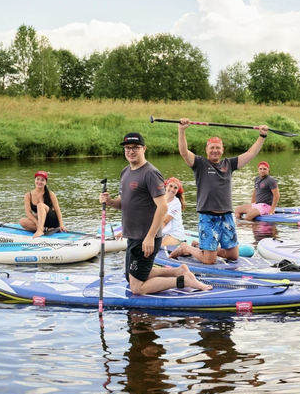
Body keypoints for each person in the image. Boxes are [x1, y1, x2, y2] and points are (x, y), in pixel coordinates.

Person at [99, 132, 211, 294]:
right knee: (130, 277)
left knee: (137, 288)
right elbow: (123, 202)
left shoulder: (150, 173)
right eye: (127, 148)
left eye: (135, 148)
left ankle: (183, 280)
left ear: (143, 148)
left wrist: (150, 237)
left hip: (145, 237)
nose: (131, 151)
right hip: (133, 236)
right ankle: (179, 271)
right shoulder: (125, 172)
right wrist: (109, 202)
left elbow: (162, 207)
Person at [169, 118, 269, 264]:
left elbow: (250, 154)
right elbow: (184, 152)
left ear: (222, 150)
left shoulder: (229, 164)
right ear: (207, 150)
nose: (215, 150)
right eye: (212, 148)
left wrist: (262, 136)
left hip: (226, 216)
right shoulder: (200, 164)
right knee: (209, 261)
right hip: (208, 216)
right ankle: (186, 247)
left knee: (233, 255)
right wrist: (181, 130)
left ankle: (199, 246)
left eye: (218, 148)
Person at [19, 171, 67, 238]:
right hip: (41, 222)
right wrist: (36, 222)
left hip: (52, 220)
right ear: (34, 180)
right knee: (22, 221)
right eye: (37, 179)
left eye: (42, 180)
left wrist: (61, 225)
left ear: (45, 182)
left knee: (40, 205)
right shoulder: (28, 195)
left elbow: (57, 210)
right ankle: (45, 229)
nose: (39, 182)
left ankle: (40, 230)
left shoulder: (50, 194)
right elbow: (28, 212)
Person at [161, 177, 187, 246]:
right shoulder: (160, 199)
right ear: (166, 186)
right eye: (171, 186)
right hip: (163, 232)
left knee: (159, 245)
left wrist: (152, 235)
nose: (172, 189)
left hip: (174, 234)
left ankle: (185, 247)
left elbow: (164, 222)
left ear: (177, 191)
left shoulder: (176, 204)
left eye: (175, 188)